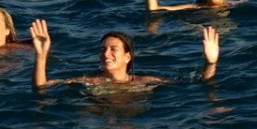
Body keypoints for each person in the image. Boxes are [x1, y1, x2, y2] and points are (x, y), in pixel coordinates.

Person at [30, 19, 219, 88]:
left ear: (128, 57)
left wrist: (211, 63)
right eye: (103, 49)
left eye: (113, 49)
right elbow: (42, 86)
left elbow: (199, 83)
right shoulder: (89, 80)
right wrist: (41, 55)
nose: (106, 53)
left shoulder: (143, 82)